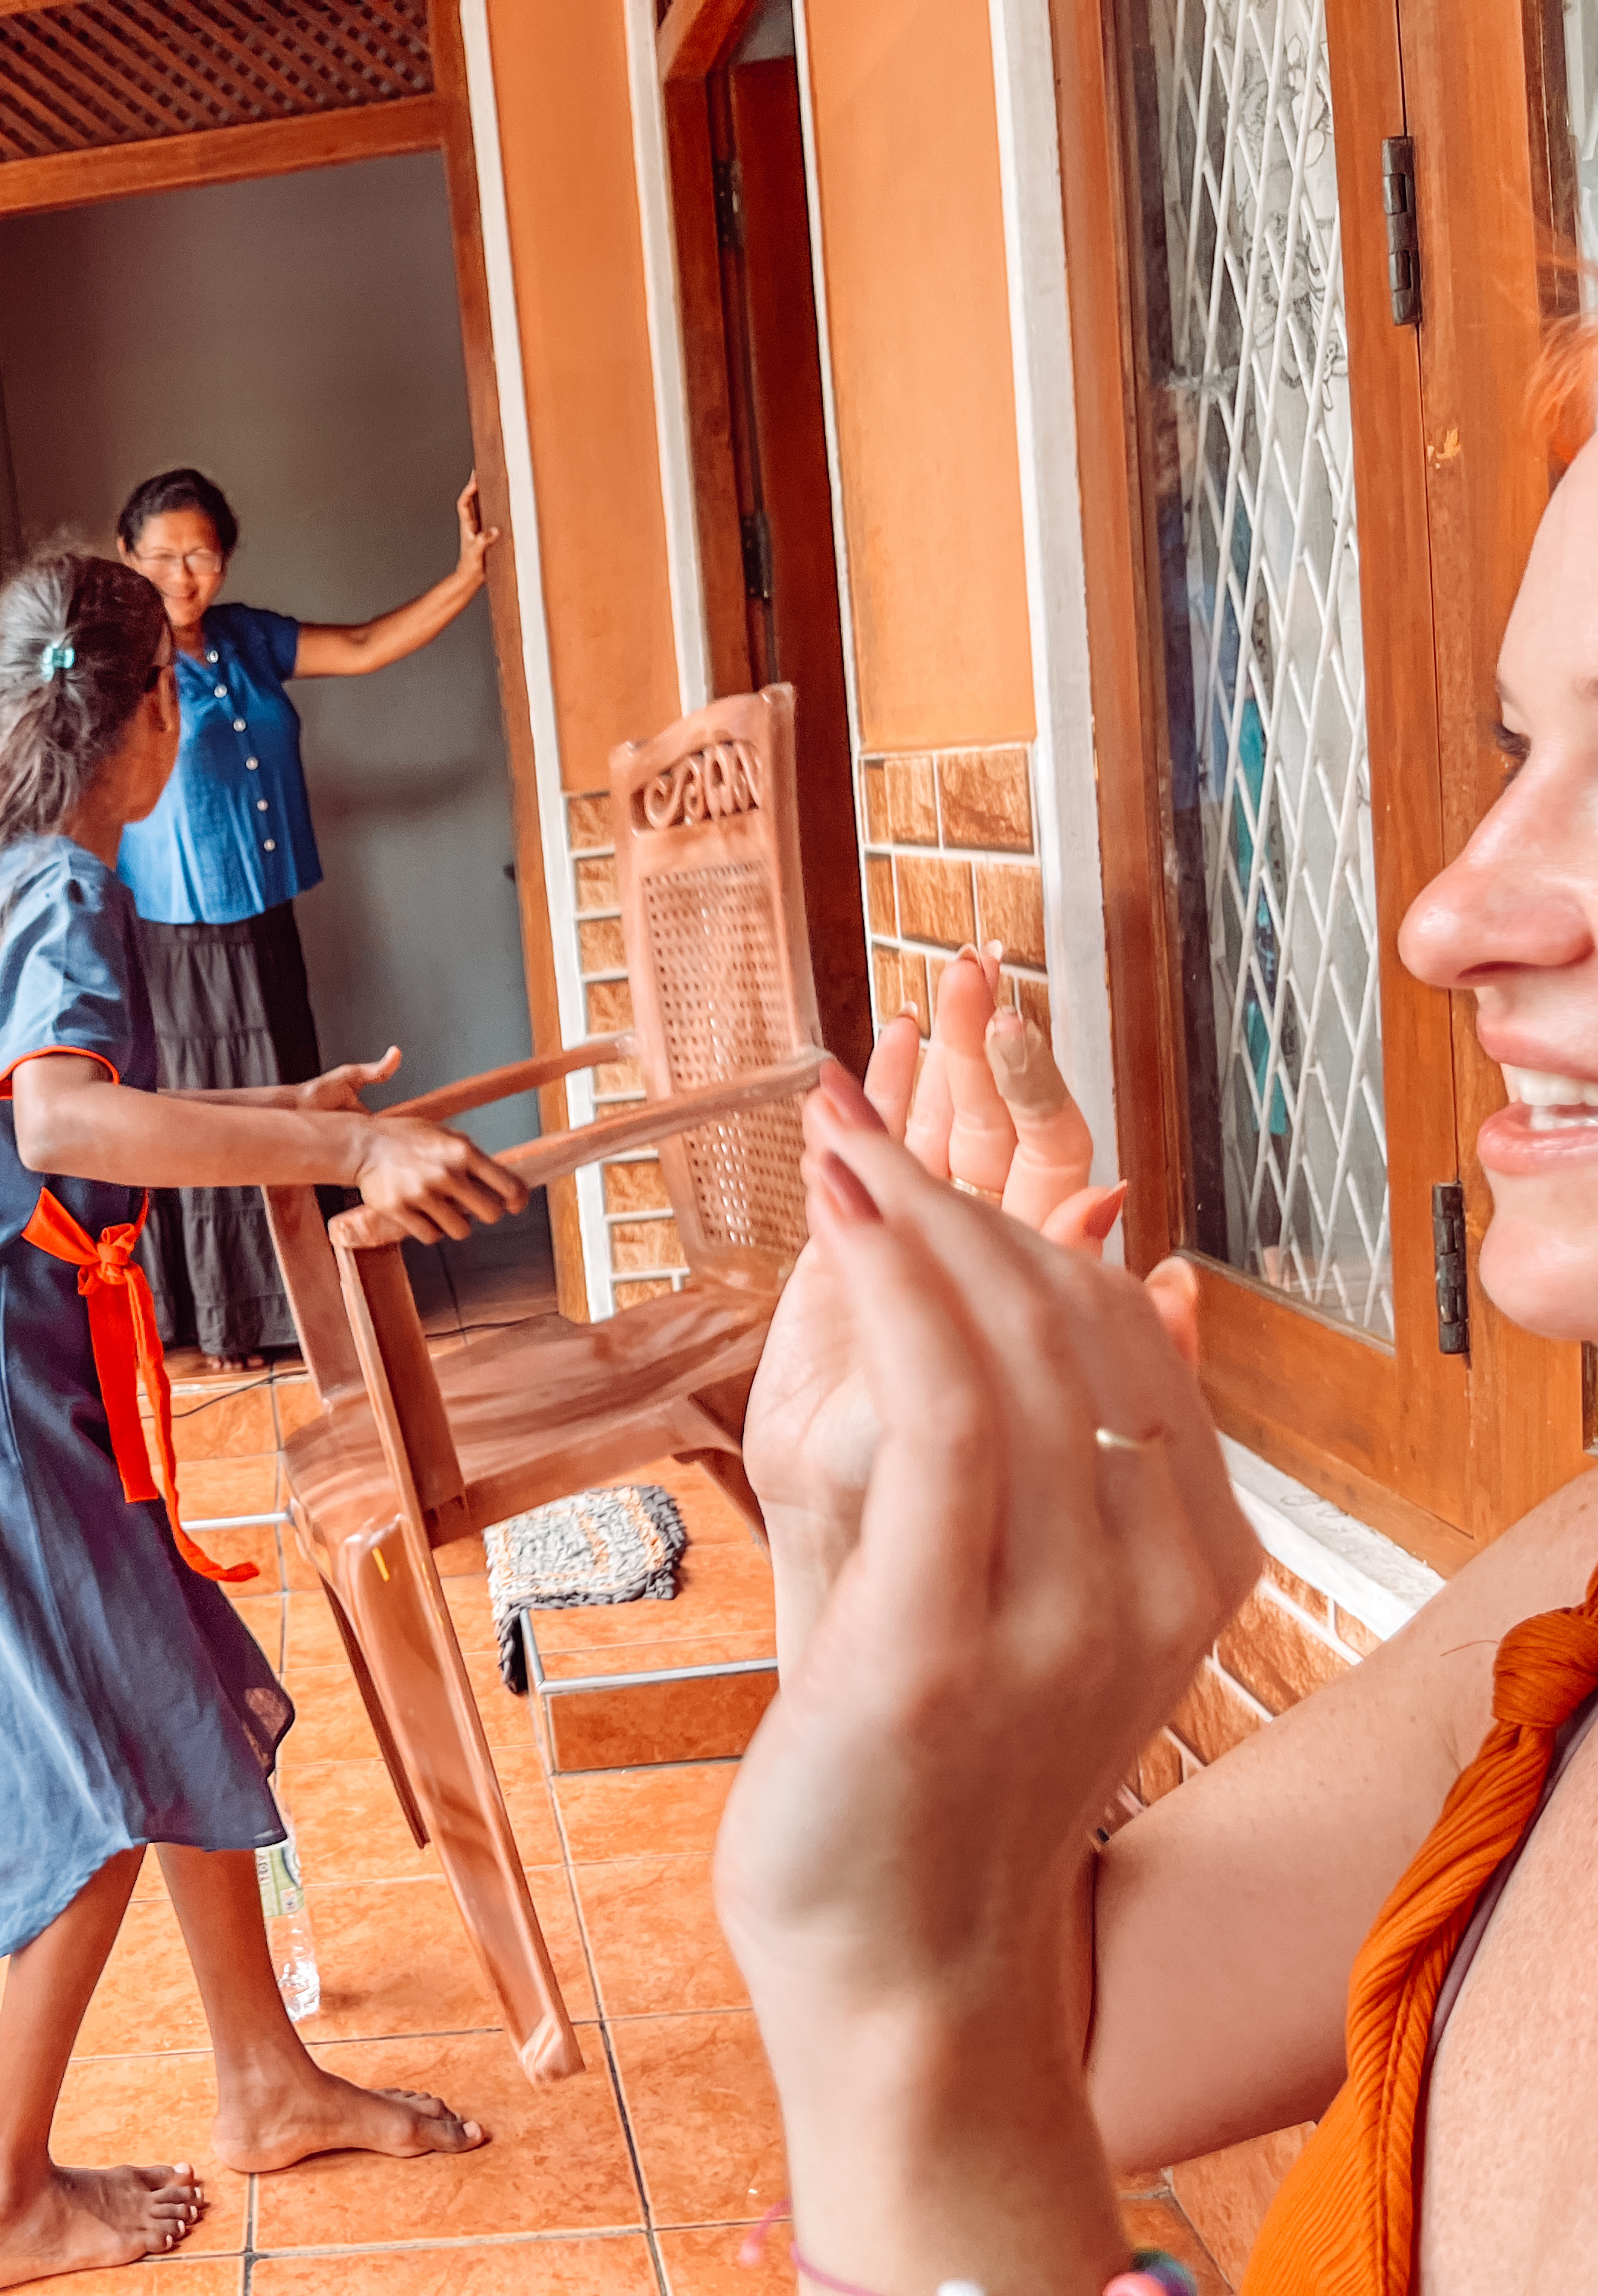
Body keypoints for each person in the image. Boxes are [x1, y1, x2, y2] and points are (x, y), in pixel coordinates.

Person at [711, 326, 1598, 2293]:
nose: (1449, 917)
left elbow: (953, 2067)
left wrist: (890, 2028)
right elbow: (1074, 2035)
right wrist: (870, 1554)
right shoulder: (1577, 1593)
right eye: (1524, 753)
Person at [0, 553, 524, 2292]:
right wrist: (348, 1147)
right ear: (139, 722)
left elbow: (58, 1110)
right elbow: (66, 1125)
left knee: (176, 1686)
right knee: (98, 1762)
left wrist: (278, 1105)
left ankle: (264, 2078)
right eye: (176, 704)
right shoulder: (59, 881)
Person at [111, 465, 500, 1371]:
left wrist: (468, 574)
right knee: (218, 1117)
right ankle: (228, 1319)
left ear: (226, 558)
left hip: (264, 916)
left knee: (291, 1096)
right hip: (177, 933)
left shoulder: (246, 639)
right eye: (162, 556)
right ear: (126, 555)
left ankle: (306, 1304)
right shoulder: (113, 664)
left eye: (201, 555)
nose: (182, 576)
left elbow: (361, 645)